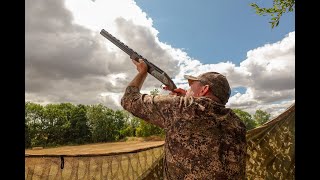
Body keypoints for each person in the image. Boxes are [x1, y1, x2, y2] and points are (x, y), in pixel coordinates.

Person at [121, 59, 247, 179]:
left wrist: (142, 72)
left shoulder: (181, 107)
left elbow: (129, 99)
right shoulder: (237, 123)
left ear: (204, 89)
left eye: (192, 85)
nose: (188, 88)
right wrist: (188, 97)